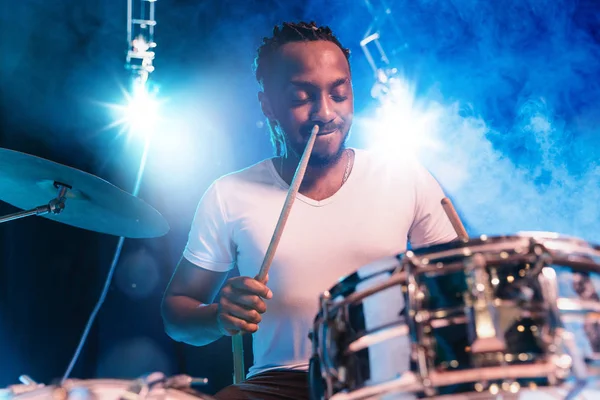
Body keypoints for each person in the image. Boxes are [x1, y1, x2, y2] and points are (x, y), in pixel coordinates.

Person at [161, 21, 458, 400]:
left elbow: (456, 282)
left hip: (392, 375)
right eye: (302, 97)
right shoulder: (229, 194)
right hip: (282, 383)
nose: (325, 112)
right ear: (267, 104)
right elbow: (176, 313)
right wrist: (218, 316)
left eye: (339, 93)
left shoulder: (404, 175)